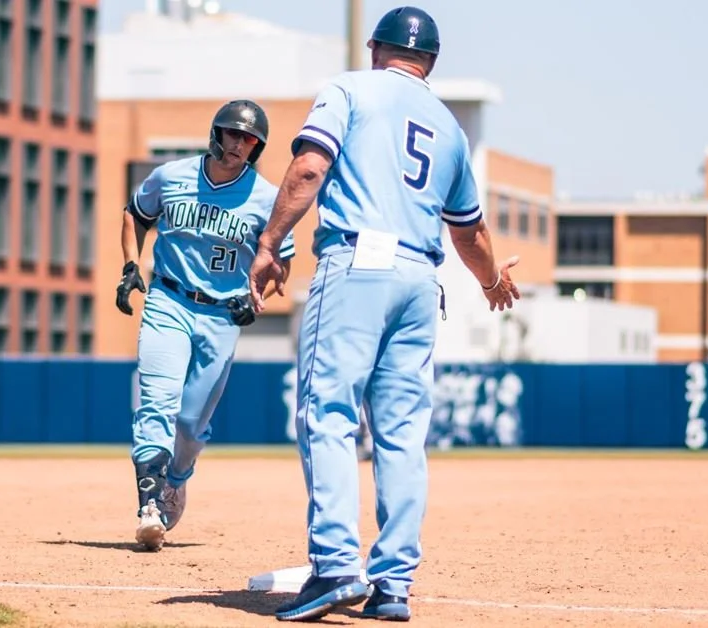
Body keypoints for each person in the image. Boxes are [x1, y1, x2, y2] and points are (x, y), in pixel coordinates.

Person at [249, 6, 520, 622]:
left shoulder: (349, 87)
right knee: (401, 435)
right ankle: (392, 584)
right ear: (430, 62)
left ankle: (337, 567)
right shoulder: (450, 128)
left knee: (329, 413)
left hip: (359, 267)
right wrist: (491, 281)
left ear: (376, 48)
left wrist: (269, 244)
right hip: (422, 282)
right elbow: (470, 232)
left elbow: (311, 165)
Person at [117, 99, 295, 552]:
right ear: (216, 133)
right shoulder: (171, 176)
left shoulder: (266, 197)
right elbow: (136, 213)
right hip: (169, 299)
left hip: (221, 315)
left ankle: (177, 477)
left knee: (192, 422)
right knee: (156, 401)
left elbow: (280, 264)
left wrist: (258, 298)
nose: (239, 144)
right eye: (233, 133)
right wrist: (131, 265)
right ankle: (149, 504)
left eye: (249, 139)